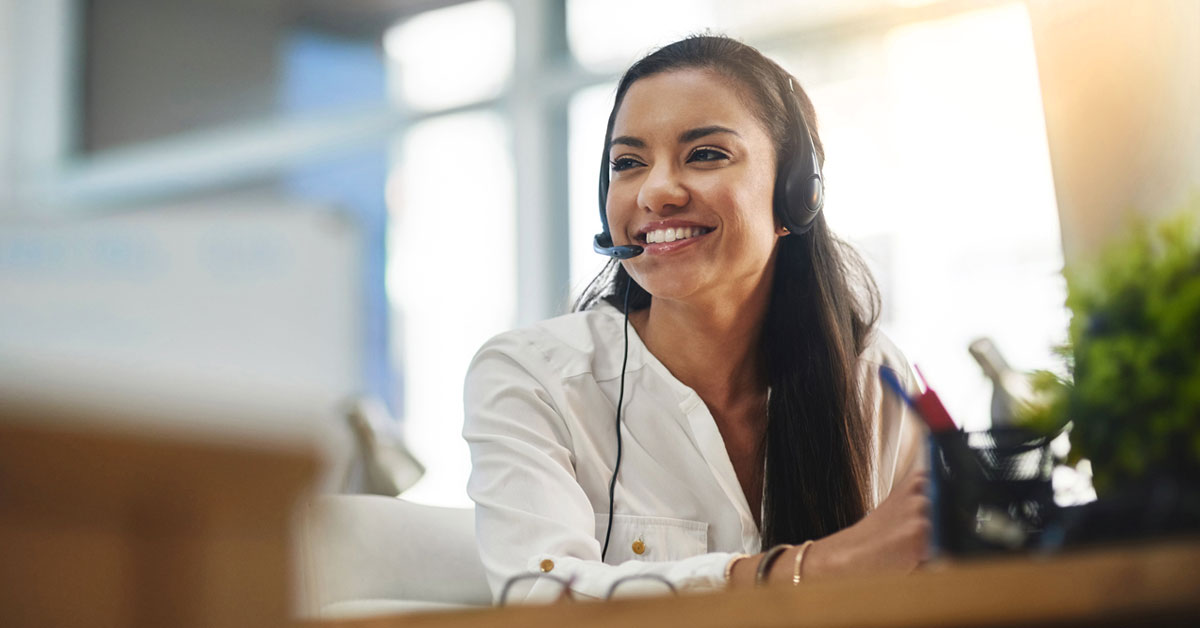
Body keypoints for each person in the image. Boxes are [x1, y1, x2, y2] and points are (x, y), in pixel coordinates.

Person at [463, 34, 929, 604]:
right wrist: (808, 569)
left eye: (705, 154)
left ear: (795, 194)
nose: (656, 192)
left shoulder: (874, 376)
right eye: (628, 163)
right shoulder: (532, 377)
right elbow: (538, 595)